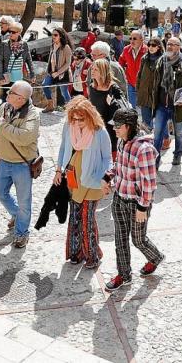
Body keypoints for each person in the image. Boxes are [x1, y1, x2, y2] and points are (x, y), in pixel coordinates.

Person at [103, 108, 165, 291]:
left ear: (128, 126)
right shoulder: (121, 141)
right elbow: (119, 166)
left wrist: (142, 207)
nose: (114, 129)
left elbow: (149, 183)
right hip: (119, 198)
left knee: (138, 240)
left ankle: (155, 257)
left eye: (118, 126)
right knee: (120, 239)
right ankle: (124, 275)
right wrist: (107, 177)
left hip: (137, 203)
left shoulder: (144, 149)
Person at [54, 96, 111, 269]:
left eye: (81, 119)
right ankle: (76, 252)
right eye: (74, 118)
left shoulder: (99, 131)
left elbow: (107, 158)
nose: (77, 122)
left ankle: (93, 255)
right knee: (75, 216)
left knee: (87, 219)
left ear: (89, 116)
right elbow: (63, 148)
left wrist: (104, 179)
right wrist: (58, 170)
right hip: (73, 177)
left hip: (93, 180)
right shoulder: (68, 126)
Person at [0, 81, 40, 248]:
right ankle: (17, 215)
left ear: (21, 99)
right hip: (4, 161)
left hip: (22, 165)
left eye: (11, 92)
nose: (7, 93)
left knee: (24, 201)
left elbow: (24, 138)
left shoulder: (32, 115)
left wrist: (2, 125)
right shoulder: (4, 107)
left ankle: (21, 233)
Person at [150, 37, 182, 167]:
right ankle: (155, 159)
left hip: (178, 107)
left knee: (179, 133)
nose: (169, 46)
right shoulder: (161, 61)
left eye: (173, 44)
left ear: (179, 47)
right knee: (157, 134)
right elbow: (156, 83)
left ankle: (178, 154)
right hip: (161, 105)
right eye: (168, 44)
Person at [88, 58, 125, 157]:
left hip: (110, 126)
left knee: (110, 151)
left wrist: (112, 103)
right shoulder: (92, 86)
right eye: (92, 69)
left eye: (96, 69)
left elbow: (123, 106)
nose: (92, 71)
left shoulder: (113, 88)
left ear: (102, 71)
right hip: (96, 125)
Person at [0, 21, 34, 101]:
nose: (10, 34)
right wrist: (0, 76)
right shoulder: (4, 44)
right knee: (6, 97)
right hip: (7, 76)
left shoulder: (24, 44)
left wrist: (32, 74)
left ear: (19, 33)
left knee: (18, 98)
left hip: (19, 76)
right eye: (9, 31)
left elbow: (29, 60)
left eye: (13, 32)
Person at [42, 28, 72, 112]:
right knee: (45, 85)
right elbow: (50, 59)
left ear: (60, 36)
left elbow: (68, 63)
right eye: (52, 35)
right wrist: (48, 71)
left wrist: (58, 73)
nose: (53, 37)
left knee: (64, 92)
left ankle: (71, 110)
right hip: (52, 72)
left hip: (63, 73)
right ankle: (50, 105)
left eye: (55, 35)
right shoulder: (52, 45)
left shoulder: (66, 47)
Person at [136, 38, 163, 130]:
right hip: (144, 93)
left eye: (153, 45)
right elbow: (139, 75)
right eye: (149, 45)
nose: (150, 47)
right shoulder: (144, 58)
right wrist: (138, 90)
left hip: (158, 95)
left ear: (158, 47)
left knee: (158, 122)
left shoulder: (163, 60)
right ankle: (148, 136)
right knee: (146, 123)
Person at [118, 30, 145, 108]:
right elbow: (121, 61)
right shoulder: (126, 49)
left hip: (143, 85)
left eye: (134, 39)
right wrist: (123, 73)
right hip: (130, 83)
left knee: (143, 108)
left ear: (141, 39)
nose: (132, 41)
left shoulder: (147, 51)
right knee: (131, 107)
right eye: (130, 38)